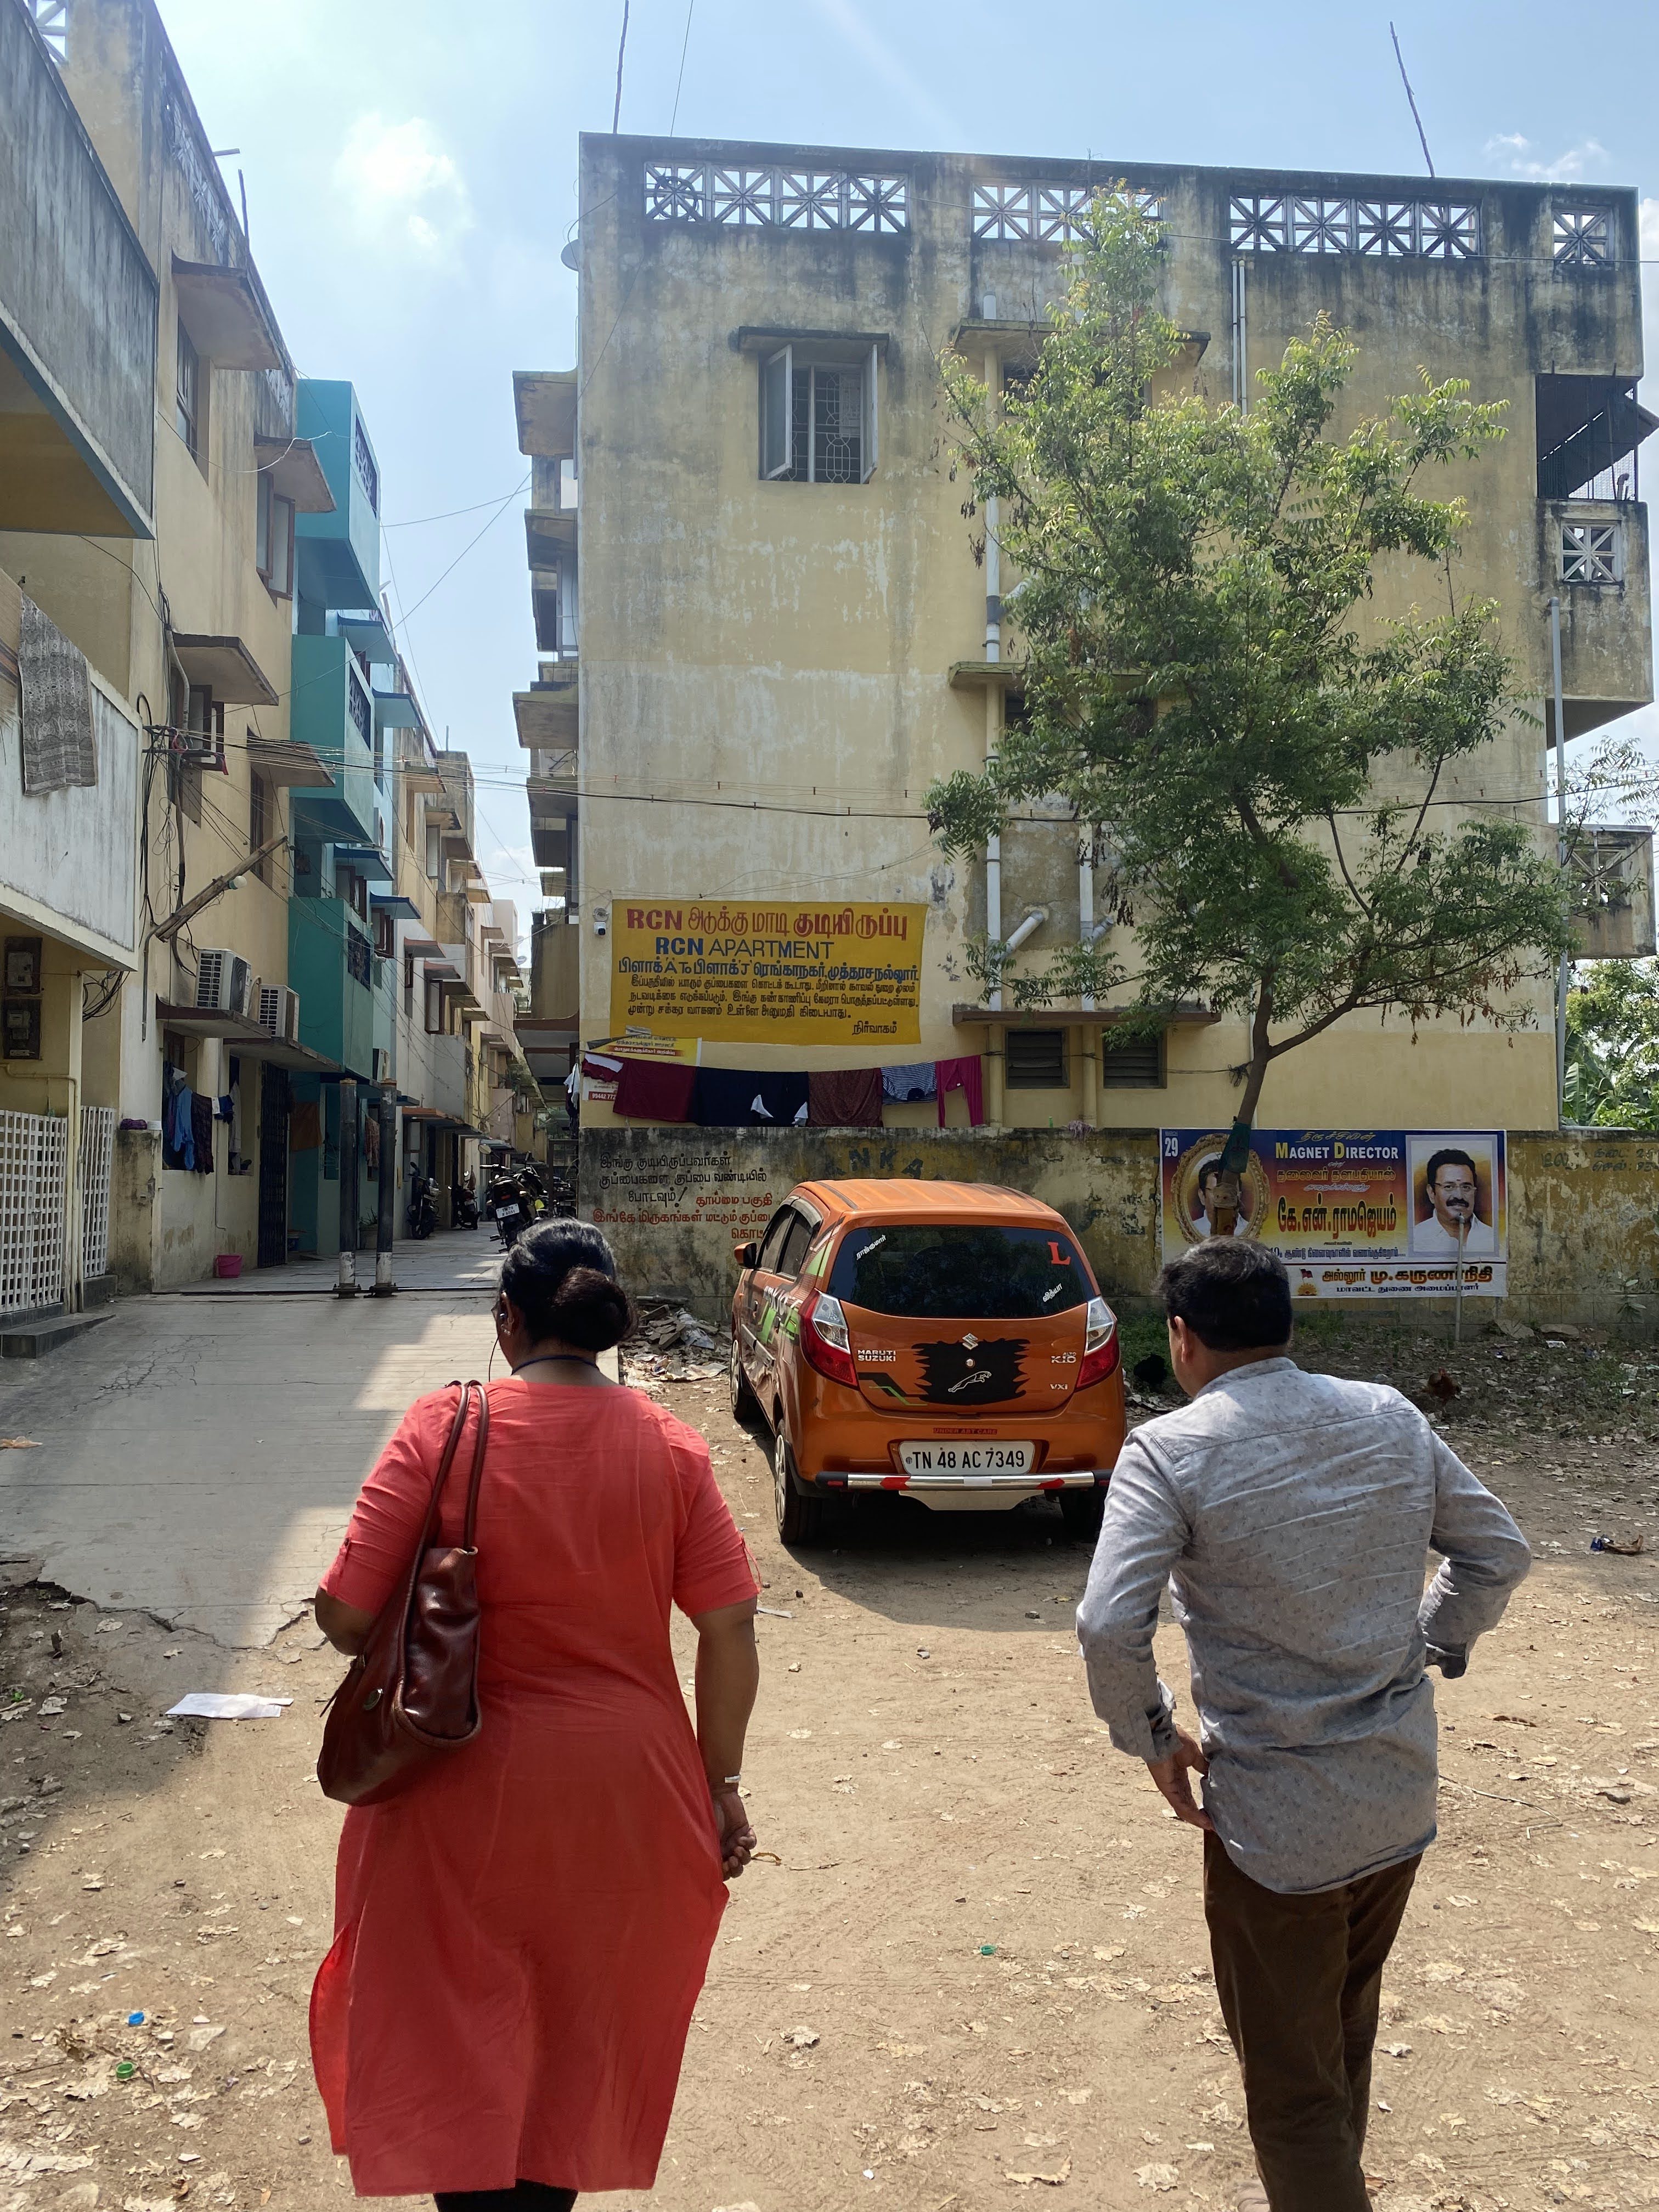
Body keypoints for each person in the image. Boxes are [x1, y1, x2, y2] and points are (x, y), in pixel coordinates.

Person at [309, 1219, 761, 2210]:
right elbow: (728, 1627)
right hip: (626, 1800)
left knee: (457, 2037)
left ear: (506, 1319)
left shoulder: (443, 1426)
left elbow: (345, 1618)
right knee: (576, 2032)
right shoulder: (672, 1445)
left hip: (454, 1792)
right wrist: (720, 1786)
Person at [1075, 1238, 1529, 2212]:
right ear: (1286, 1324)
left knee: (1289, 2092)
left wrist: (1152, 1737)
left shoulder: (1169, 1450)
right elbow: (1496, 1551)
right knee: (1340, 2029)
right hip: (1394, 1795)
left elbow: (1108, 1624)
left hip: (1274, 1828)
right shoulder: (1388, 1415)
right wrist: (1429, 1642)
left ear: (1181, 1337)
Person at [1413, 1146, 1496, 1255]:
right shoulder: (1415, 1240)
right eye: (1449, 1187)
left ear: (1474, 1193)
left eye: (1466, 1187)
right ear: (1432, 1193)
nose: (1459, 1196)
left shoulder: (1494, 1239)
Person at [1189, 1158, 1246, 1240]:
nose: (1223, 1198)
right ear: (1202, 1196)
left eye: (1230, 1191)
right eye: (1216, 1192)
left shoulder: (1248, 1230)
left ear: (1239, 1196)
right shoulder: (1192, 1230)